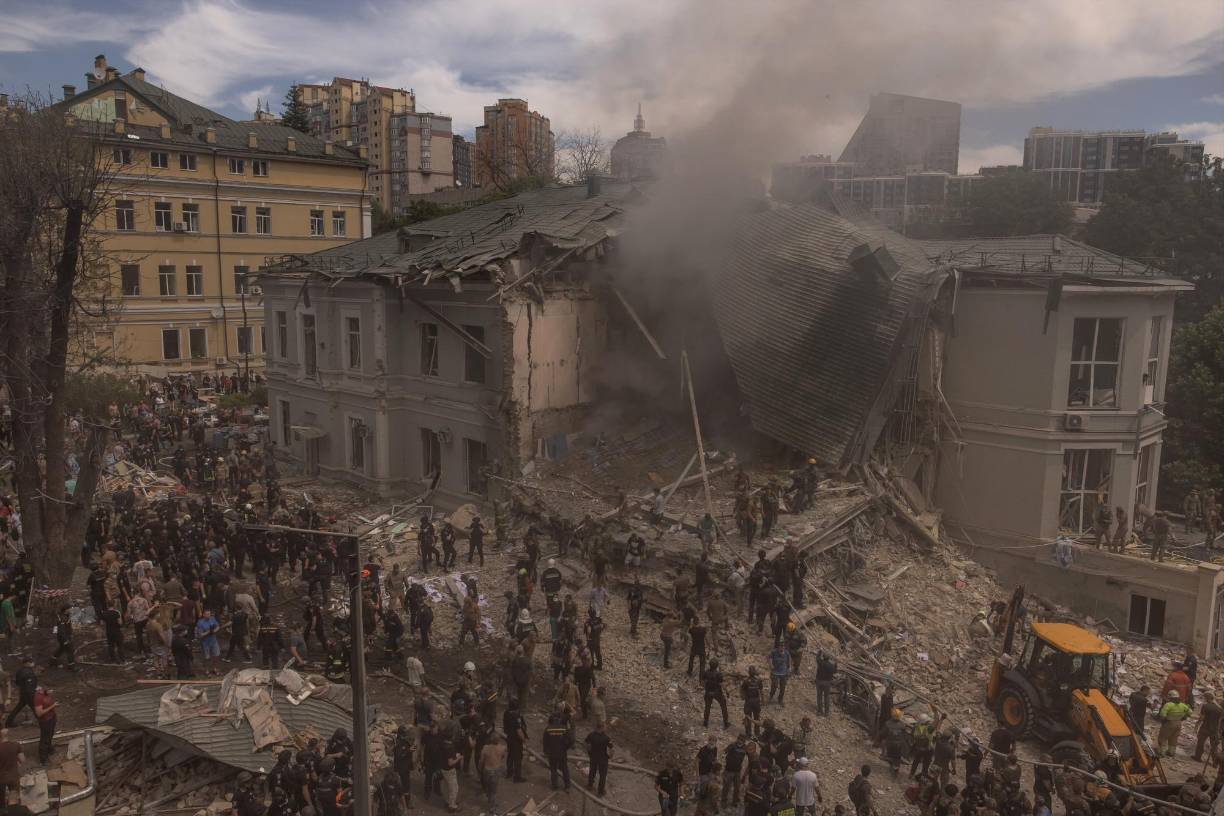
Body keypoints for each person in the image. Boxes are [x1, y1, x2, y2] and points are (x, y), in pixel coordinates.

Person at [1157, 690, 1192, 757]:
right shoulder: (1182, 705)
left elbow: (1162, 715)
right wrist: (1183, 717)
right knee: (1173, 738)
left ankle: (1161, 752)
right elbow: (1190, 712)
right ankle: (1171, 752)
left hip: (1169, 722)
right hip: (1178, 723)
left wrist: (1164, 721)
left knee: (1163, 737)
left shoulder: (1168, 704)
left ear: (1170, 697)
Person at [543, 713, 572, 791]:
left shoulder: (548, 729)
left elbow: (545, 742)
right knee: (564, 768)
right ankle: (567, 785)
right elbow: (570, 741)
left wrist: (546, 751)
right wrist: (566, 748)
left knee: (553, 769)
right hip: (562, 752)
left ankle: (555, 786)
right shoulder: (564, 728)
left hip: (552, 753)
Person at [478, 732, 504, 811]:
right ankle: (492, 807)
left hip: (487, 770)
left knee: (488, 787)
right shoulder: (502, 748)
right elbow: (502, 757)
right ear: (499, 740)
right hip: (496, 770)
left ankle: (490, 799)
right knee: (494, 790)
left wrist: (479, 769)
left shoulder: (485, 748)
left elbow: (481, 761)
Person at [585, 721, 613, 797]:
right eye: (605, 727)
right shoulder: (606, 738)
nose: (606, 728)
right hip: (603, 758)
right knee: (603, 775)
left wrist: (589, 753)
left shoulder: (591, 735)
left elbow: (587, 744)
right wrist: (610, 756)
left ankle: (590, 785)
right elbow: (611, 748)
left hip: (593, 757)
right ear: (602, 728)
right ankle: (600, 792)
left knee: (592, 771)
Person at [503, 698, 527, 783]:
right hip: (516, 740)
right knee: (517, 758)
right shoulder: (516, 716)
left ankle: (509, 772)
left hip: (509, 737)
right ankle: (517, 777)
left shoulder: (506, 713)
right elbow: (519, 730)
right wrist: (523, 739)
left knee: (510, 755)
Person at [703, 659, 731, 729]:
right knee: (723, 706)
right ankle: (726, 723)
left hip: (708, 692)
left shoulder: (706, 672)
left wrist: (706, 688)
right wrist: (727, 691)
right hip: (717, 692)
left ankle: (705, 723)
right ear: (717, 666)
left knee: (707, 707)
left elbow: (703, 682)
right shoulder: (718, 674)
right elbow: (722, 684)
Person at [32, 685, 56, 765]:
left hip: (52, 717)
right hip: (45, 721)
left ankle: (49, 749)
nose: (50, 691)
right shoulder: (38, 698)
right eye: (48, 689)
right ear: (42, 689)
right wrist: (53, 706)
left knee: (50, 735)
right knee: (45, 739)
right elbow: (39, 713)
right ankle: (43, 759)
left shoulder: (46, 694)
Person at [0, 727, 22, 805]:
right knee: (15, 797)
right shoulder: (16, 745)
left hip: (1, 778)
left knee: (1, 800)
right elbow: (22, 760)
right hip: (13, 776)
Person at [814, 649, 836, 715]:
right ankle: (826, 712)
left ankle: (820, 711)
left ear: (823, 657)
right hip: (827, 683)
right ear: (828, 658)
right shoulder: (831, 666)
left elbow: (817, 657)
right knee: (826, 697)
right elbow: (835, 671)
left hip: (819, 681)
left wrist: (820, 651)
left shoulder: (820, 662)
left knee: (819, 697)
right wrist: (835, 663)